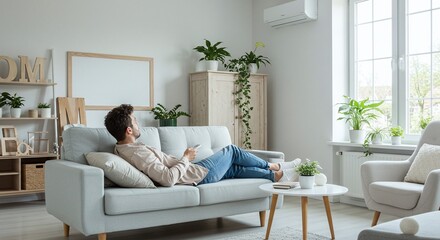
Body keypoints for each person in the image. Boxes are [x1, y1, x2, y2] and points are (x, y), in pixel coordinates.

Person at [104, 104, 299, 187]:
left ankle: (278, 176)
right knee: (232, 150)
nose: (138, 124)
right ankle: (275, 166)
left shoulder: (123, 148)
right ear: (128, 130)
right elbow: (167, 179)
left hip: (193, 170)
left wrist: (186, 159)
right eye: (135, 121)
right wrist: (186, 158)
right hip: (195, 175)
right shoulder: (136, 153)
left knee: (234, 168)